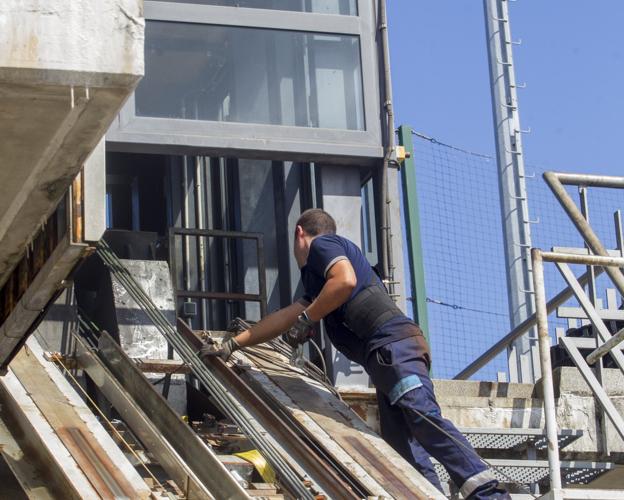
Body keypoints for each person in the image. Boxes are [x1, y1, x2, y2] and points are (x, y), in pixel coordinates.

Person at [202, 208, 510, 499]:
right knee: (403, 447)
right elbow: (284, 318)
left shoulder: (324, 245)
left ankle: (489, 492)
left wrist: (309, 319)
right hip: (384, 361)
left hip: (395, 349)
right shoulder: (316, 285)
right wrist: (233, 344)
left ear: (299, 233)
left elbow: (345, 281)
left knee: (421, 417)